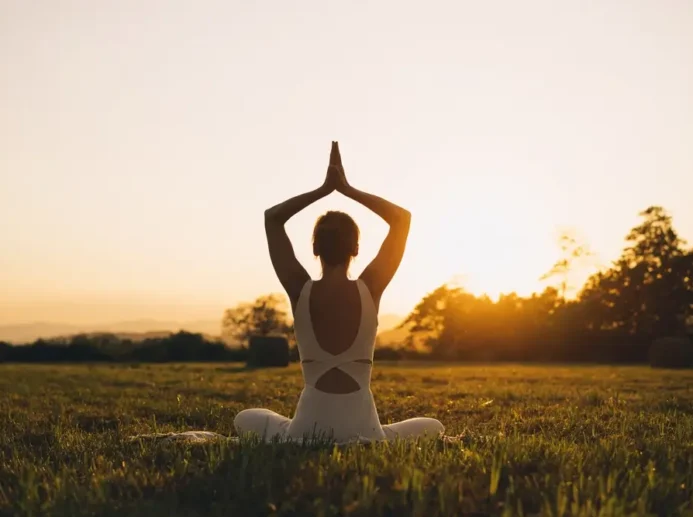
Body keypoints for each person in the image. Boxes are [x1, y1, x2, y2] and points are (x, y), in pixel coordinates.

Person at [234, 142, 444, 444]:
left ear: (315, 248)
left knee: (246, 418)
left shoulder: (299, 288)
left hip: (306, 431)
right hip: (364, 430)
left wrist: (324, 189)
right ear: (356, 249)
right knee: (433, 426)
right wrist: (347, 189)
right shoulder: (370, 288)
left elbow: (272, 218)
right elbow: (401, 219)